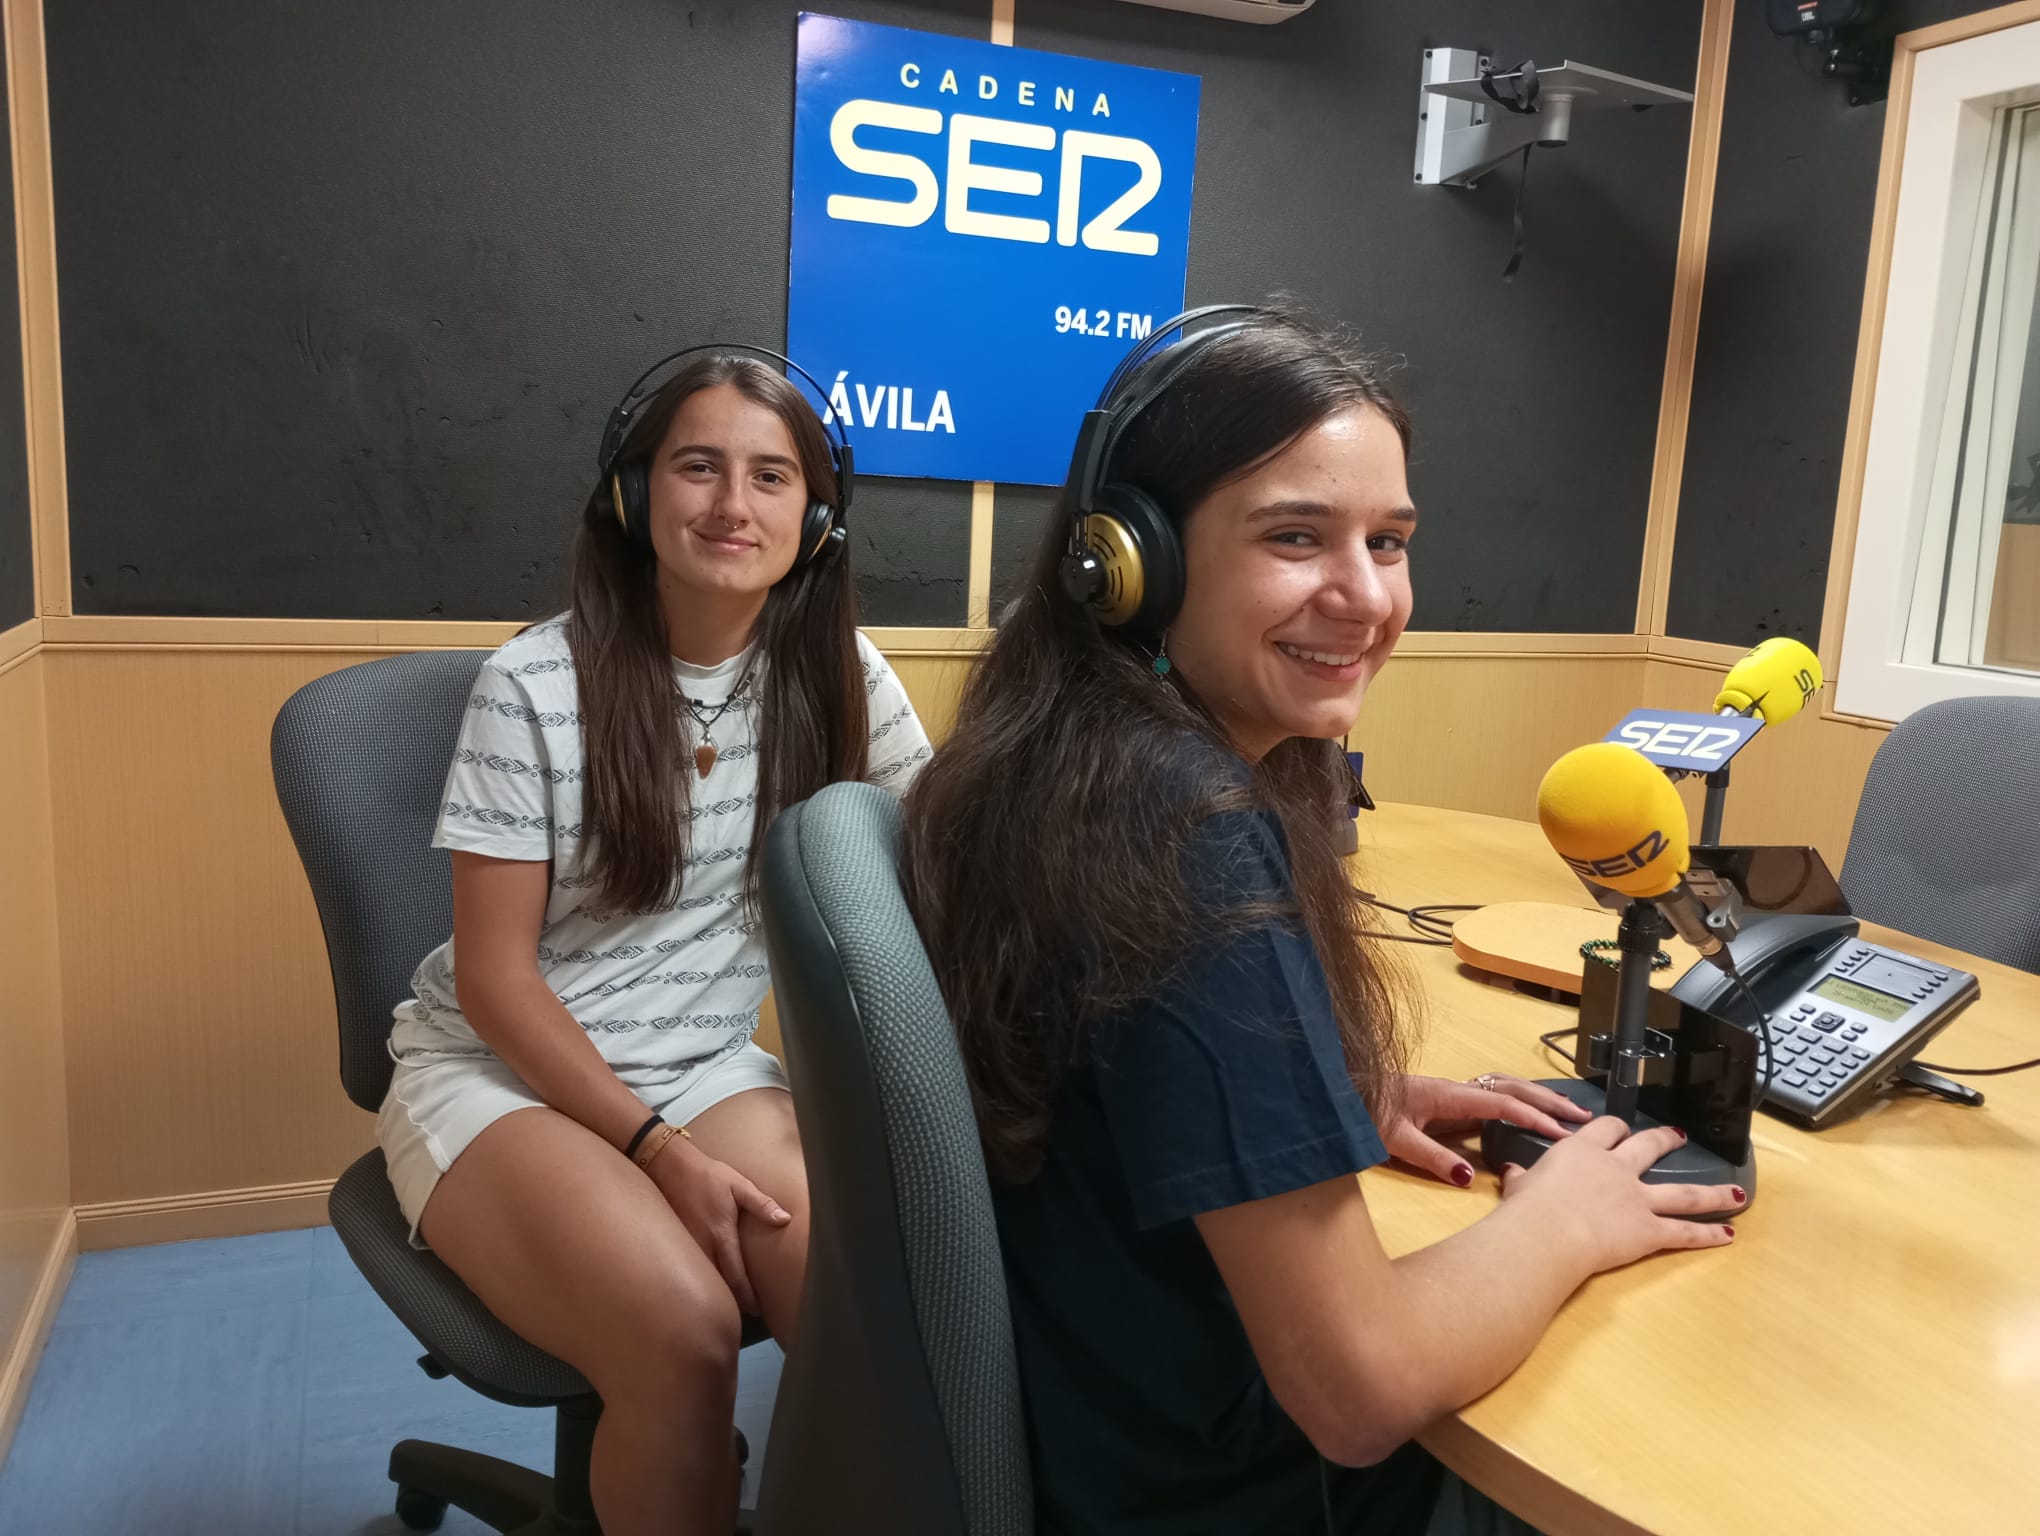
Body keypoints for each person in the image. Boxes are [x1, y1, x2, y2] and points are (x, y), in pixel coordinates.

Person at [900, 309, 1740, 1534]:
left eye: (1390, 542)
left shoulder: (1059, 766)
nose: (1364, 596)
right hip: (1238, 1495)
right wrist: (1566, 1221)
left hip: (1094, 1424)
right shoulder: (1184, 829)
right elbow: (1360, 1388)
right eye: (1296, 537)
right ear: (1132, 559)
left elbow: (1102, 1087)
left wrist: (1321, 1096)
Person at [377, 346, 932, 1536]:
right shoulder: (534, 683)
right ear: (635, 495)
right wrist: (655, 1148)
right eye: (698, 466)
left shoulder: (835, 673)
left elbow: (950, 864)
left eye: (773, 476)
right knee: (680, 1332)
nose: (734, 506)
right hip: (496, 1077)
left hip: (706, 1063)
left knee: (861, 1305)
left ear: (818, 519)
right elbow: (494, 976)